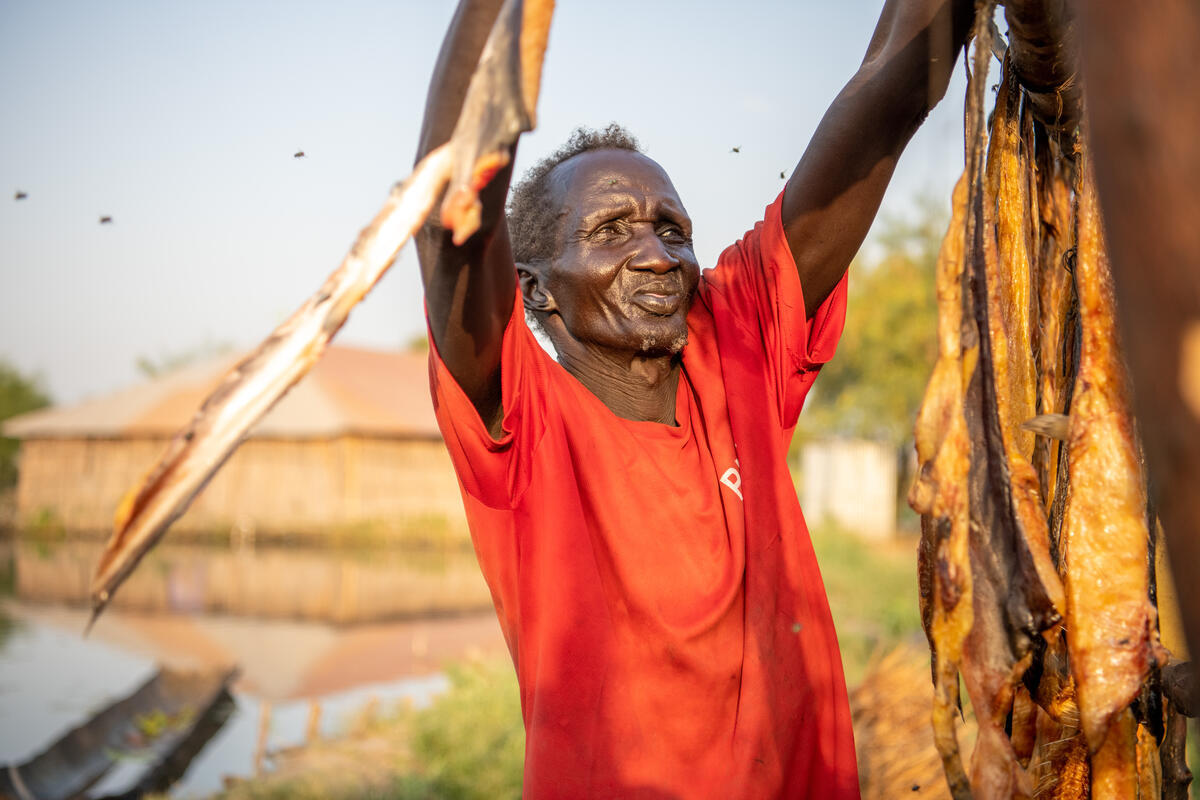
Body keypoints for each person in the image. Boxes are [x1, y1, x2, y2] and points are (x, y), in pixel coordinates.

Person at [415, 1, 972, 797]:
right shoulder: (521, 422)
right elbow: (452, 213)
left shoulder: (739, 339)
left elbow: (887, 95)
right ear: (534, 289)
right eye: (609, 231)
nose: (655, 254)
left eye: (672, 229)